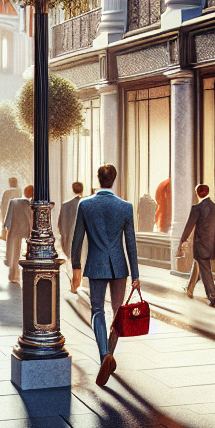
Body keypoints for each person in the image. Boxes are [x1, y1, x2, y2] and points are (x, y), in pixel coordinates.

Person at [70, 163, 139, 388]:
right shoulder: (125, 207)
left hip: (96, 265)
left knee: (97, 310)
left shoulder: (86, 205)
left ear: (98, 179)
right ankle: (110, 352)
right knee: (118, 313)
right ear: (114, 179)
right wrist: (136, 275)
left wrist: (76, 268)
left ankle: (103, 356)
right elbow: (131, 244)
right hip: (119, 267)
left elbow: (77, 239)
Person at [178, 184, 215, 306]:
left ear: (198, 194)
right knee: (198, 265)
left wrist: (182, 240)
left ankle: (212, 294)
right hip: (211, 245)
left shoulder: (196, 208)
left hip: (200, 245)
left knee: (205, 269)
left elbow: (190, 225)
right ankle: (189, 288)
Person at [2, 184, 33, 283]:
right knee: (28, 255)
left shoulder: (13, 202)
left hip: (15, 231)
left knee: (14, 255)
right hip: (28, 231)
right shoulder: (32, 204)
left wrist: (6, 230)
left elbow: (8, 219)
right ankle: (27, 276)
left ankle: (13, 275)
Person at [58, 182, 84, 268]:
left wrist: (63, 240)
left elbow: (62, 225)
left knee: (72, 266)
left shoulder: (65, 205)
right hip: (86, 241)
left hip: (71, 239)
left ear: (72, 190)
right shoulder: (88, 204)